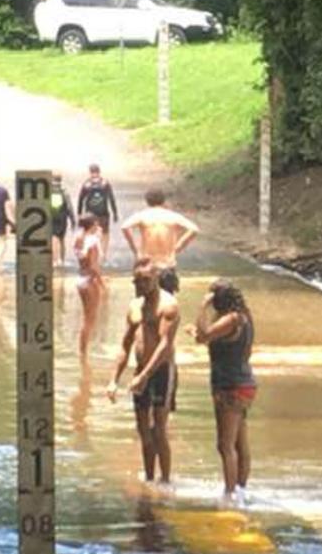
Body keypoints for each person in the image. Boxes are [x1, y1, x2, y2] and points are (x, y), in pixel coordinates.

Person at [107, 260, 182, 489]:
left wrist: (145, 376)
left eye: (145, 280)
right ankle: (150, 479)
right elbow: (125, 345)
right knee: (143, 429)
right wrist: (113, 380)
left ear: (156, 279)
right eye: (137, 281)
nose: (140, 284)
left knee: (159, 427)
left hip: (161, 371)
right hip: (141, 370)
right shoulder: (134, 307)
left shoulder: (168, 306)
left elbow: (164, 346)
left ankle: (166, 480)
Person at [191, 279, 257, 508]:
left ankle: (230, 495)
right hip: (245, 383)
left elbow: (203, 336)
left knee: (225, 445)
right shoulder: (245, 318)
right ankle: (240, 490)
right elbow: (239, 348)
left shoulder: (229, 319)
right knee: (240, 443)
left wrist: (202, 307)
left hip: (229, 386)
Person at [121, 187, 200, 287]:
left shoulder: (142, 215)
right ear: (163, 201)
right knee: (169, 298)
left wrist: (135, 249)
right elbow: (194, 229)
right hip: (167, 264)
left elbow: (124, 227)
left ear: (147, 201)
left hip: (148, 264)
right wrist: (180, 245)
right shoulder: (172, 216)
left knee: (147, 299)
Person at [73, 215, 104, 355]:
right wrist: (102, 282)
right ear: (92, 225)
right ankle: (83, 352)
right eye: (96, 224)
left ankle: (84, 348)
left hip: (80, 278)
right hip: (90, 280)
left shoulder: (78, 238)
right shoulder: (92, 241)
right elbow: (93, 265)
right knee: (90, 319)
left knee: (88, 318)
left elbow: (84, 260)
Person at [79, 163, 119, 256]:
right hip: (103, 213)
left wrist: (79, 213)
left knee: (89, 232)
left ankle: (90, 253)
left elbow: (81, 199)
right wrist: (115, 213)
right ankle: (103, 254)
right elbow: (111, 198)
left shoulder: (86, 184)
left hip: (90, 214)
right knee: (105, 233)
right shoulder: (105, 183)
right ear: (99, 172)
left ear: (90, 172)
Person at [50, 174, 77, 266]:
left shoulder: (48, 191)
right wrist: (73, 220)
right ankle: (62, 260)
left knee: (53, 239)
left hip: (51, 218)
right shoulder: (64, 192)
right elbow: (69, 207)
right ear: (60, 180)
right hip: (62, 218)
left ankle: (54, 260)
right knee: (62, 239)